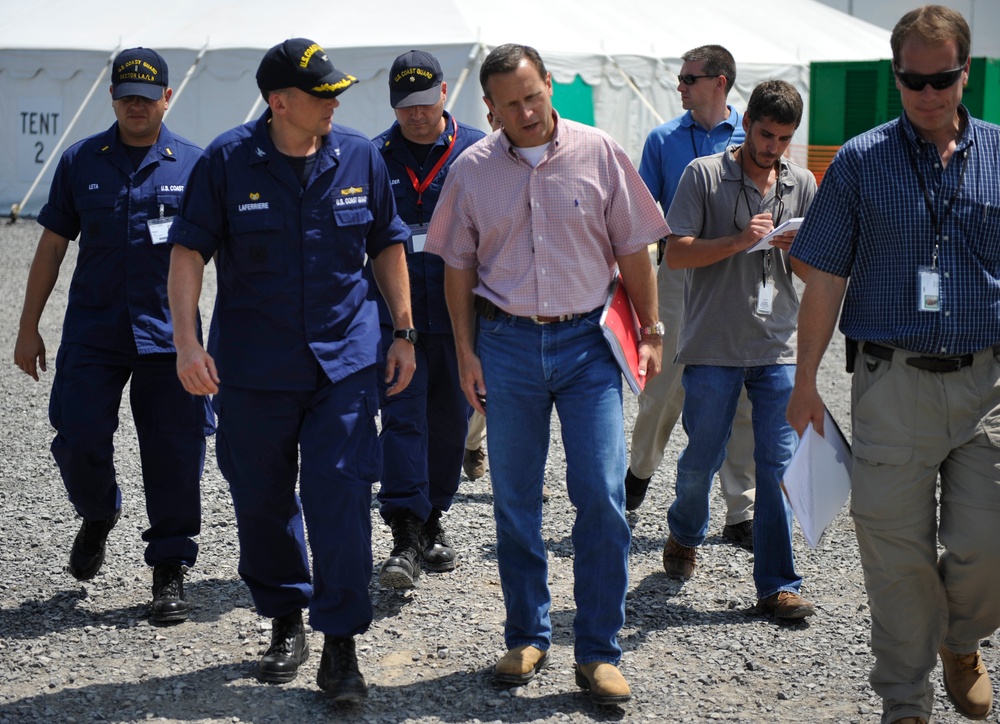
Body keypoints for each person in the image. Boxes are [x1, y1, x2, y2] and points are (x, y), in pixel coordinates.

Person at [167, 38, 415, 702]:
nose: (336, 101)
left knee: (340, 496)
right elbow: (188, 252)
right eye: (322, 93)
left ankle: (340, 645)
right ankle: (285, 619)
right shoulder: (225, 161)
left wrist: (404, 331)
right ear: (280, 102)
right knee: (262, 500)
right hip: (253, 366)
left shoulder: (361, 154)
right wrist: (187, 345)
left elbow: (388, 242)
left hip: (345, 363)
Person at [425, 43, 669, 705]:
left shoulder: (600, 152)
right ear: (490, 108)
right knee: (515, 504)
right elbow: (457, 268)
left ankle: (598, 653)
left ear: (549, 84)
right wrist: (466, 352)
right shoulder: (471, 171)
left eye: (534, 95)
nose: (527, 112)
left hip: (589, 345)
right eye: (511, 104)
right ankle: (527, 634)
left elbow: (634, 246)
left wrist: (649, 329)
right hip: (505, 346)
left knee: (602, 496)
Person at [787, 6, 999, 722]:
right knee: (895, 555)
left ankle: (961, 642)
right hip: (891, 384)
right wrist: (805, 381)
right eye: (914, 80)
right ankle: (904, 700)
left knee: (989, 543)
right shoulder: (857, 161)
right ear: (896, 75)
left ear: (965, 74)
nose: (929, 95)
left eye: (942, 80)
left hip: (987, 387)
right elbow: (823, 278)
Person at [13, 47, 212, 624]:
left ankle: (169, 569)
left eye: (147, 97)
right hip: (94, 332)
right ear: (112, 96)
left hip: (168, 337)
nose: (136, 105)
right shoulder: (82, 160)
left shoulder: (194, 165)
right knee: (77, 434)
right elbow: (52, 246)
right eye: (127, 94)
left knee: (175, 452)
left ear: (167, 98)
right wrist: (27, 329)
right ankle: (98, 512)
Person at [661, 80, 816, 621]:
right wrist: (737, 241)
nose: (773, 148)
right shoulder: (702, 174)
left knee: (777, 465)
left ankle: (778, 584)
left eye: (784, 139)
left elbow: (806, 274)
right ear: (746, 121)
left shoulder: (801, 182)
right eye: (766, 134)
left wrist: (799, 252)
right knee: (702, 456)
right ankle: (684, 530)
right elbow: (674, 255)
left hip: (779, 345)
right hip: (712, 345)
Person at [627, 44, 756, 549]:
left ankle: (740, 512)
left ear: (720, 82)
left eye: (689, 78)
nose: (679, 86)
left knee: (743, 395)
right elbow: (640, 215)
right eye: (680, 78)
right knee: (663, 388)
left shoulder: (754, 134)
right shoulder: (662, 140)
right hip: (679, 276)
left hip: (742, 277)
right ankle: (638, 473)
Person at [369, 49, 486, 589]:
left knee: (448, 425)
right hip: (396, 322)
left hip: (460, 316)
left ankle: (433, 515)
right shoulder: (372, 157)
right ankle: (405, 530)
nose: (415, 115)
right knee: (402, 419)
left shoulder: (478, 153)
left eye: (423, 103)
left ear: (443, 93)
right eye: (403, 107)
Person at [461, 109, 504, 482]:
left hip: (520, 300)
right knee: (479, 377)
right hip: (478, 289)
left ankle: (523, 476)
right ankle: (472, 442)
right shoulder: (474, 159)